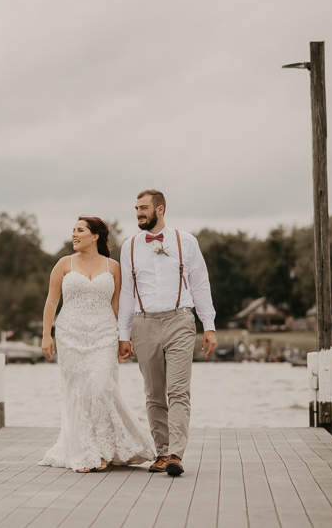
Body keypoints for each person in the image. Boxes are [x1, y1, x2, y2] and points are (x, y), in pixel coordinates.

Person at [39, 216, 156, 473]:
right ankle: (89, 453)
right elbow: (51, 302)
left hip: (104, 334)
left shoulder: (113, 267)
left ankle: (107, 447)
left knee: (102, 388)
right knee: (78, 393)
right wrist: (47, 335)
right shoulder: (63, 264)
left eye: (80, 230)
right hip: (70, 334)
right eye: (73, 231)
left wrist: (125, 337)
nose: (74, 235)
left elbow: (118, 306)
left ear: (95, 236)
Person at [118, 189, 217, 477]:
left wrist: (208, 325)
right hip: (143, 322)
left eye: (144, 207)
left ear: (160, 209)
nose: (139, 212)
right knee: (153, 392)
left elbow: (200, 284)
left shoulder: (186, 241)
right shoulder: (129, 246)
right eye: (136, 208)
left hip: (180, 321)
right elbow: (126, 292)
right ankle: (161, 452)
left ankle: (176, 453)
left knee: (178, 390)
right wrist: (123, 333)